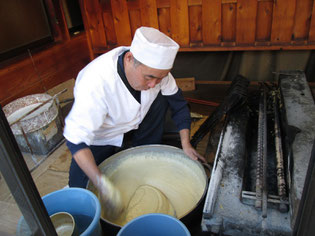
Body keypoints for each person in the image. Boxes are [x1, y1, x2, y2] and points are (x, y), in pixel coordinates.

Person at [63, 26, 205, 197]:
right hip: (102, 135)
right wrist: (101, 183)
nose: (154, 83)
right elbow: (76, 141)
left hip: (140, 120)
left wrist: (186, 144)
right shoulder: (96, 83)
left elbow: (179, 105)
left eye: (160, 78)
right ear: (130, 58)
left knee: (161, 99)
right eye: (149, 77)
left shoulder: (159, 75)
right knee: (78, 188)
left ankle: (145, 150)